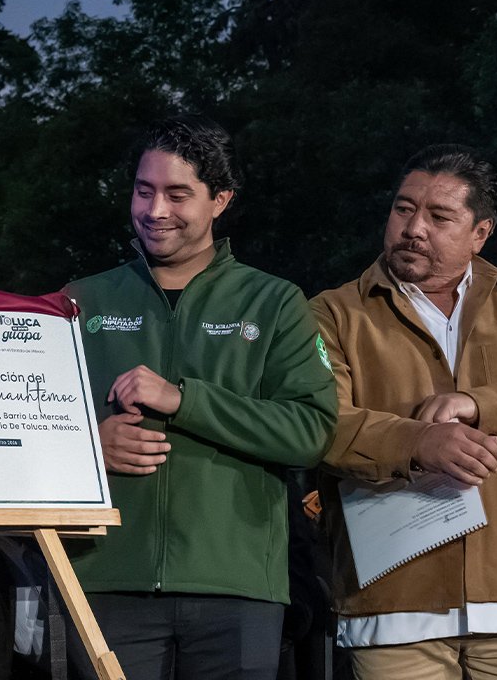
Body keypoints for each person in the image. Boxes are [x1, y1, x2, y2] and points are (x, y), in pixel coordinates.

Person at [62, 114, 337, 679]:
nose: (155, 210)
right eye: (144, 191)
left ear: (221, 200)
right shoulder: (76, 301)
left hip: (237, 585)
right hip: (103, 577)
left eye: (177, 194)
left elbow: (310, 432)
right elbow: (20, 430)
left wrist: (183, 399)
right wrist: (85, 443)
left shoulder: (275, 302)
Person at [311, 145, 497, 679]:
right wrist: (416, 442)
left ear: (480, 233)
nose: (414, 227)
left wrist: (484, 405)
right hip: (393, 607)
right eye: (403, 209)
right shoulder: (331, 312)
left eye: (439, 216)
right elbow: (317, 423)